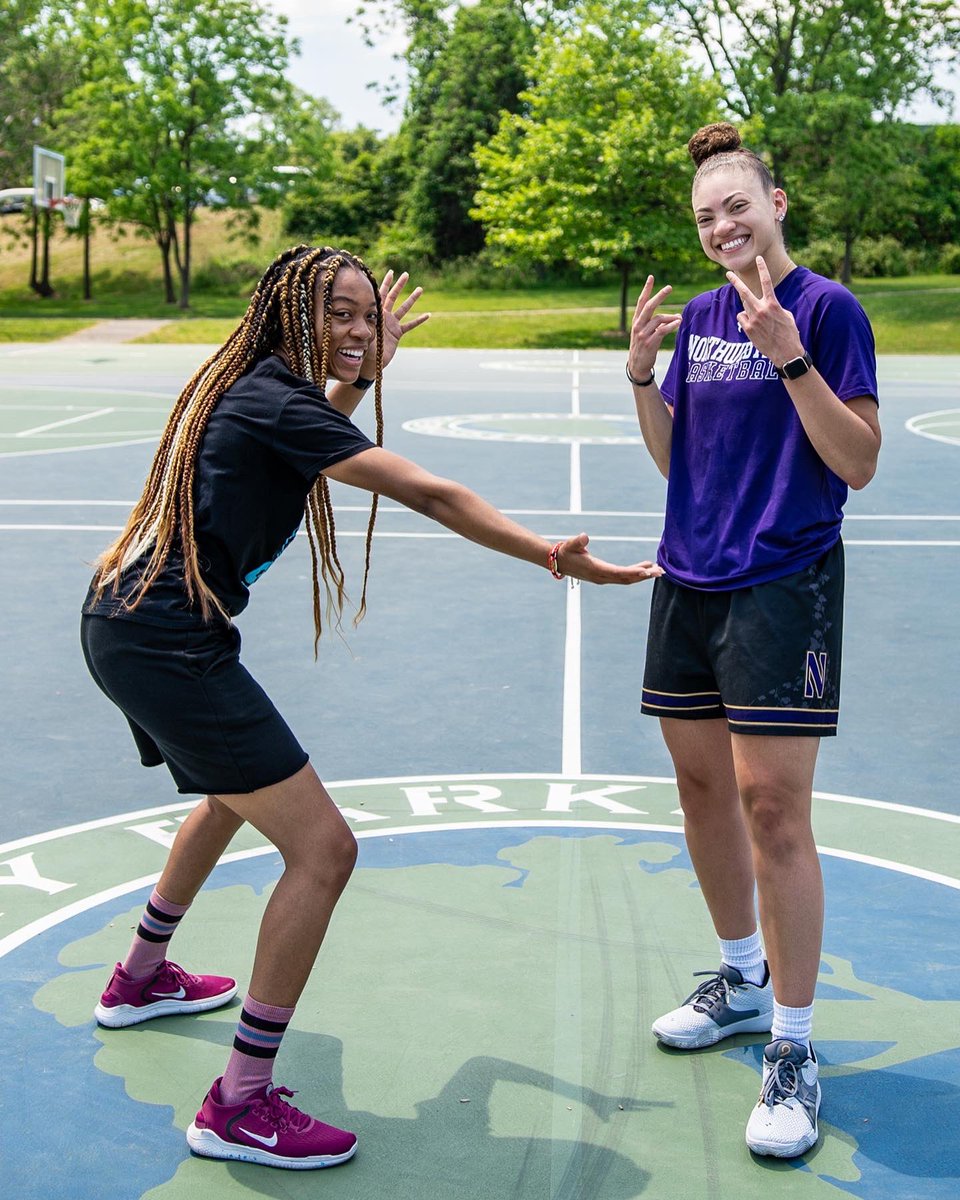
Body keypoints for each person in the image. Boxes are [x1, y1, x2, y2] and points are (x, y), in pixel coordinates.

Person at [81, 244, 661, 1172]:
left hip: (134, 622)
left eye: (365, 314)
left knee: (230, 796)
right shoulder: (276, 399)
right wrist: (552, 555)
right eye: (337, 314)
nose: (356, 329)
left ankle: (140, 978)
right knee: (325, 850)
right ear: (291, 316)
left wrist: (358, 376)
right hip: (163, 639)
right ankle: (238, 1104)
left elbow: (309, 443)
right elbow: (430, 493)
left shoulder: (270, 393)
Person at [626, 124, 881, 1158]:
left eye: (737, 204)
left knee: (773, 809)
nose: (722, 225)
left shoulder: (828, 310)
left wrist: (791, 360)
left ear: (776, 203)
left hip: (784, 584)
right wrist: (641, 379)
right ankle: (740, 979)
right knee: (701, 791)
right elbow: (674, 459)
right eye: (706, 216)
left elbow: (857, 461)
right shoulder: (699, 317)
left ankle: (794, 1046)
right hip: (688, 580)